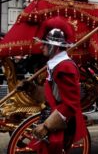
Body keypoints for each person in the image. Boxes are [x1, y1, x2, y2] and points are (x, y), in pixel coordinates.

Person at [18, 17, 86, 154]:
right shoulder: (57, 65)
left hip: (59, 122)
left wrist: (47, 126)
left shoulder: (65, 67)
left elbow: (70, 105)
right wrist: (30, 88)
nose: (41, 46)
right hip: (51, 117)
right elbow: (52, 95)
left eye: (44, 44)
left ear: (54, 46)